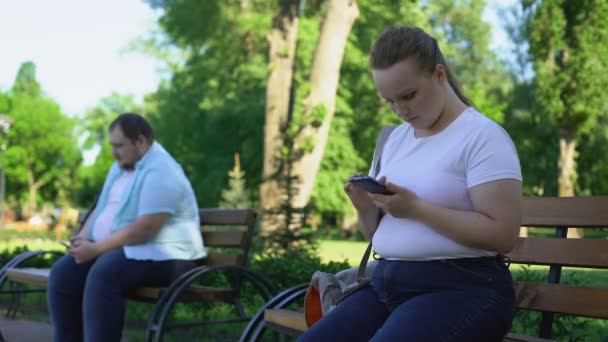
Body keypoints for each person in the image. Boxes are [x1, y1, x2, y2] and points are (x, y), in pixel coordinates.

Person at [299, 26, 522, 341]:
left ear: (439, 74)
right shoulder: (397, 140)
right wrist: (366, 208)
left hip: (463, 291)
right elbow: (381, 236)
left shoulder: (483, 137)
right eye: (390, 101)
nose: (401, 110)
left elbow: (503, 235)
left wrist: (417, 209)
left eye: (408, 95)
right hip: (386, 287)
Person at [47, 113, 205, 342]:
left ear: (140, 141)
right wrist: (83, 238)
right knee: (63, 273)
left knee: (105, 272)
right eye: (112, 145)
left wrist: (97, 248)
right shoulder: (120, 167)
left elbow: (146, 228)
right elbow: (102, 208)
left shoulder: (162, 170)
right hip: (129, 252)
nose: (114, 151)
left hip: (170, 257)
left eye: (119, 145)